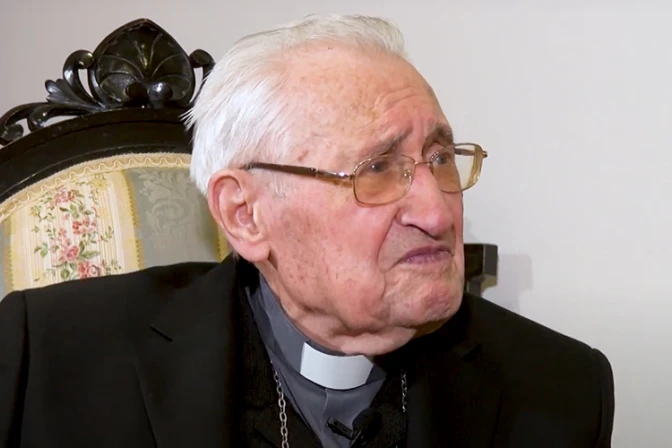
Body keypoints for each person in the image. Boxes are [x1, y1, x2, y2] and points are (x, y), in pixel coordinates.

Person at [0, 14, 614, 448]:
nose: (437, 213)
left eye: (440, 158)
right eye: (376, 169)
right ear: (245, 214)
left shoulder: (561, 390)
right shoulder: (45, 356)